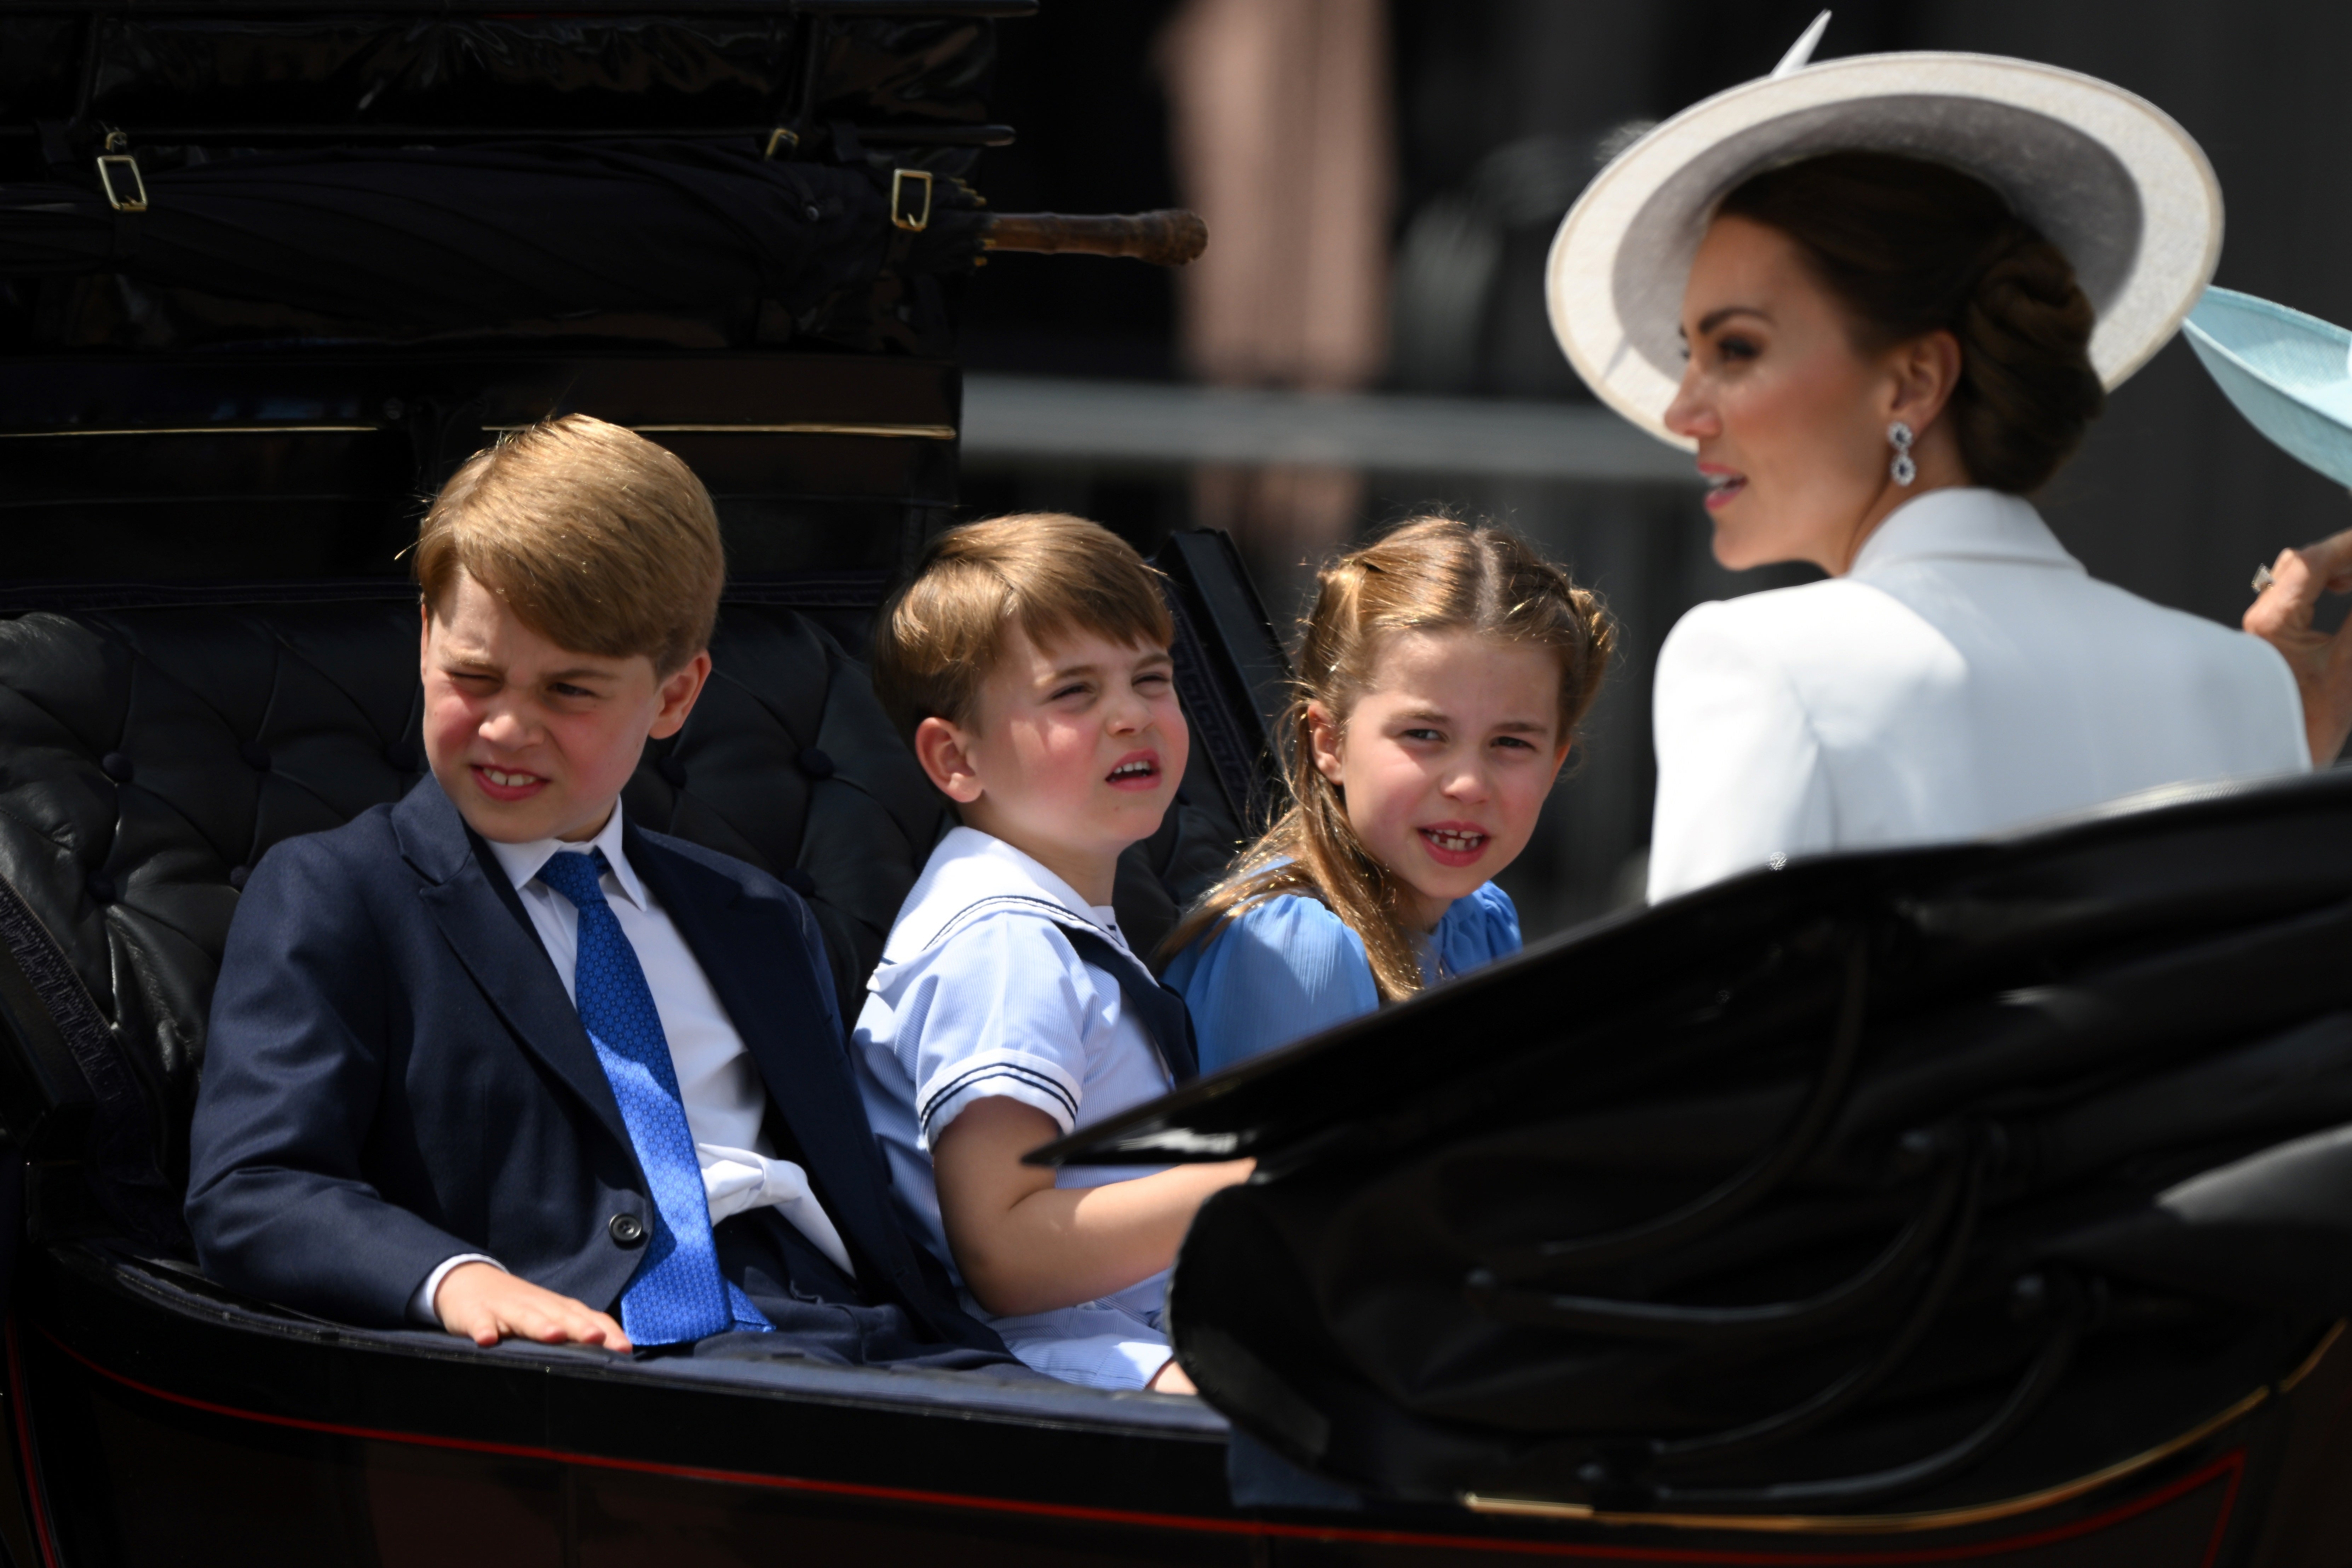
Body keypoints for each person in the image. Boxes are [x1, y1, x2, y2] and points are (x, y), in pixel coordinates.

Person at [185, 415, 1016, 1375]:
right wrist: (458, 1280)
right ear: (423, 640)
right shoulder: (338, 894)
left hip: (862, 1341)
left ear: (674, 697)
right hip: (608, 1365)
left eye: (570, 693)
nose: (506, 727)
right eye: (474, 676)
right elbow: (256, 1183)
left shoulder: (755, 917)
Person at [1540, 52, 2320, 903]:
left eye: (1735, 349)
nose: (1683, 412)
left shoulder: (1759, 662)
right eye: (1693, 355)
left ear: (1913, 382)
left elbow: (1720, 1028)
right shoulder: (2241, 685)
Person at [853, 513, 1254, 1393]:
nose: (1129, 715)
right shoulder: (1005, 944)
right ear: (955, 758)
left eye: (1152, 678)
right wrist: (1248, 1182)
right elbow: (1005, 1250)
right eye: (1073, 693)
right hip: (1049, 1364)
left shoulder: (1048, 922)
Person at [1161, 517, 1615, 1071]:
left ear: (1555, 763)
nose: (1468, 785)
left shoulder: (1483, 919)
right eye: (1424, 735)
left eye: (1511, 742)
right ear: (1327, 740)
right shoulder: (1300, 951)